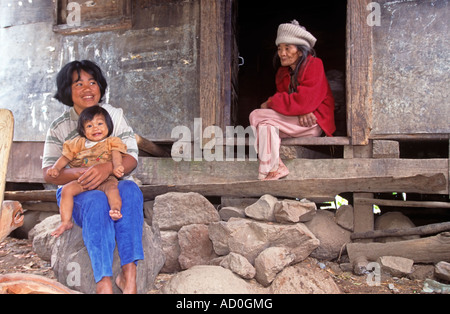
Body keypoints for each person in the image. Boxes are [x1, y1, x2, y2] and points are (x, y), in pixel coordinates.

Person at [42, 60, 144, 294]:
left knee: (130, 191)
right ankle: (103, 281)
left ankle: (128, 276)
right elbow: (48, 172)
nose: (88, 88)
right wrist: (83, 173)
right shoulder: (59, 126)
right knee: (96, 202)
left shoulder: (113, 115)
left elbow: (131, 158)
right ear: (68, 90)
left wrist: (107, 168)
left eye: (92, 82)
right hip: (78, 191)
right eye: (79, 83)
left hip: (112, 183)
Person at [250, 20, 336, 180]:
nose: (282, 53)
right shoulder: (282, 74)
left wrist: (270, 102)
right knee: (264, 125)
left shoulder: (315, 65)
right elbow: (287, 107)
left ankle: (269, 169)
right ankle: (275, 169)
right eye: (279, 48)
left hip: (314, 123)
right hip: (295, 122)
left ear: (301, 51)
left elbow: (302, 102)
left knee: (257, 115)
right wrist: (301, 108)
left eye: (288, 48)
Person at [47, 105, 128, 237]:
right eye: (89, 126)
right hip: (84, 180)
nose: (95, 128)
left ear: (108, 126)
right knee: (66, 190)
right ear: (83, 131)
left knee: (113, 190)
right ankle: (65, 222)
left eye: (100, 123)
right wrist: (56, 168)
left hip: (105, 179)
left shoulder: (112, 142)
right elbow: (65, 158)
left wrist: (117, 166)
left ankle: (115, 210)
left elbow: (116, 156)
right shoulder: (77, 144)